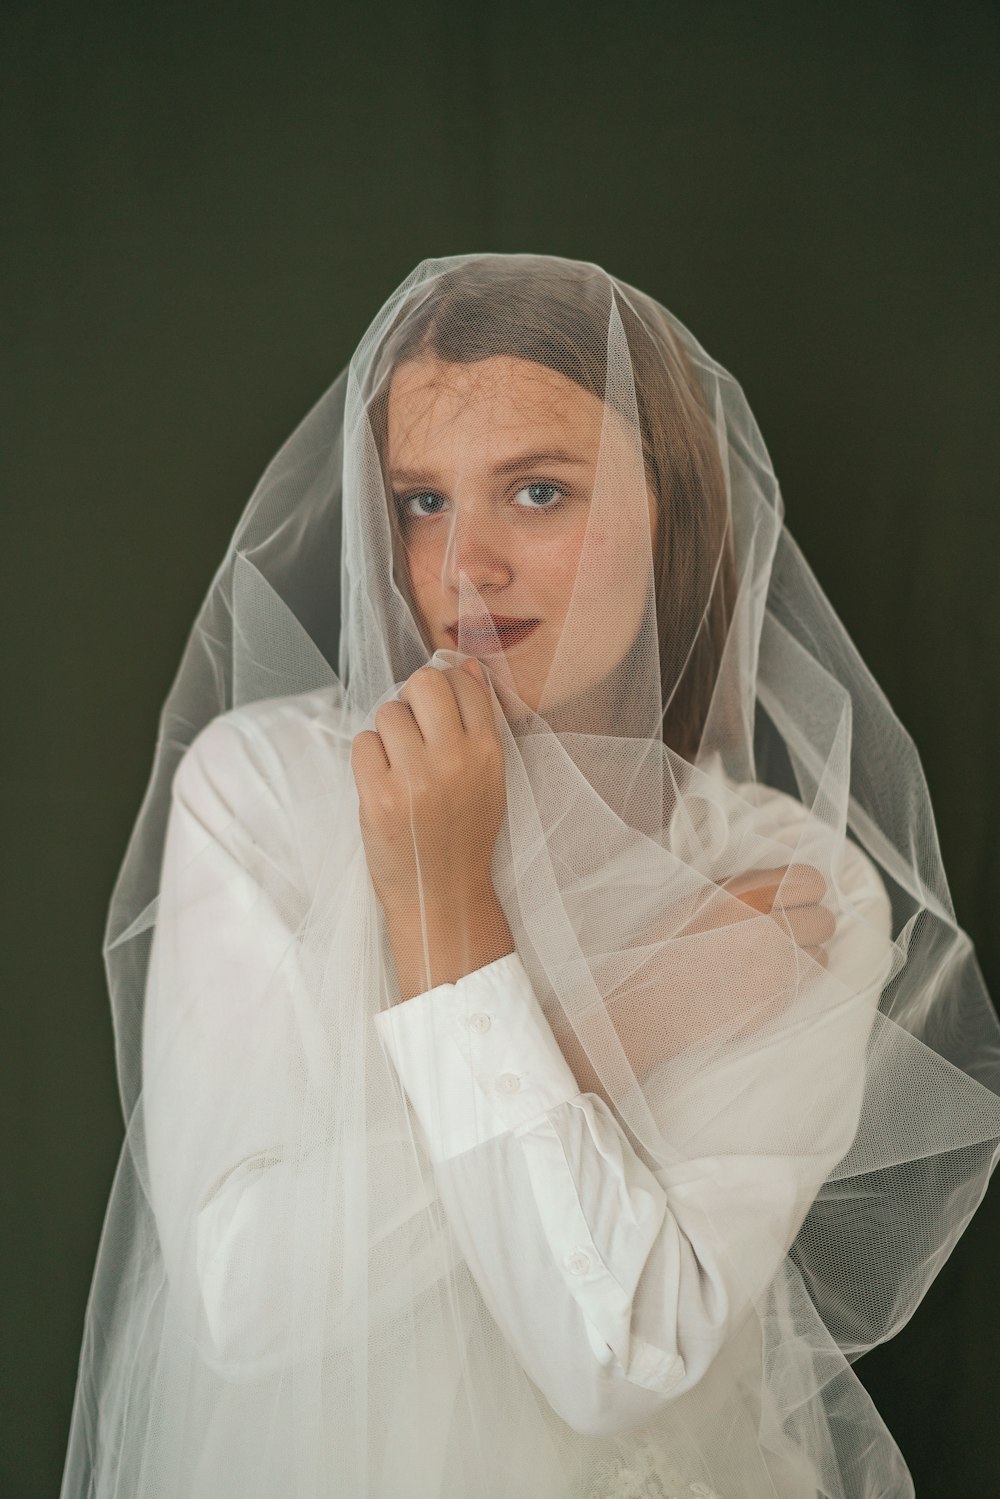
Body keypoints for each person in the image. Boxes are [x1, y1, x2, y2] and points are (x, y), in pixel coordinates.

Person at [60, 254, 1000, 1499]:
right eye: (420, 502)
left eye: (539, 491)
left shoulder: (789, 876)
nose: (464, 569)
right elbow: (240, 1297)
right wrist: (620, 991)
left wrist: (464, 948)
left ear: (671, 505)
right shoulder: (264, 796)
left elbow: (619, 1348)